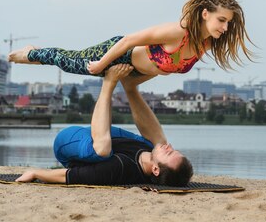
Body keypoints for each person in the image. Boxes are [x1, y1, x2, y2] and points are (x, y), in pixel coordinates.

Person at [7, 0, 255, 81]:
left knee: (70, 63)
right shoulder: (176, 32)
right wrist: (102, 63)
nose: (224, 28)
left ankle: (33, 54)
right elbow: (129, 40)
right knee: (70, 61)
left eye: (227, 23)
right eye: (221, 20)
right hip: (118, 54)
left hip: (134, 70)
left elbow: (166, 66)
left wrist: (135, 80)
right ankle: (31, 53)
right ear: (204, 14)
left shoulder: (206, 44)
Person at [16, 64, 193, 186]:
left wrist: (35, 173)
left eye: (169, 153)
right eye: (173, 149)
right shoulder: (150, 151)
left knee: (102, 150)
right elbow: (108, 130)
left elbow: (69, 176)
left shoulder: (118, 169)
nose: (169, 147)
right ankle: (130, 87)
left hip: (66, 142)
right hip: (94, 134)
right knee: (157, 142)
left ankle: (108, 82)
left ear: (155, 169)